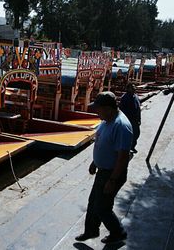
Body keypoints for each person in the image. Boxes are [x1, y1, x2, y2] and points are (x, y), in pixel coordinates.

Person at [76, 92, 133, 244]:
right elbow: (103, 143)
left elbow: (122, 157)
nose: (96, 112)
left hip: (112, 173)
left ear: (108, 109)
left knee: (102, 207)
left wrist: (113, 180)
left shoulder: (121, 126)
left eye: (98, 109)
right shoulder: (106, 121)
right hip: (103, 170)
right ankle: (91, 230)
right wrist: (95, 162)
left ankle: (118, 232)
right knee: (93, 201)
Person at [119, 82, 141, 153]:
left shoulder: (136, 96)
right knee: (127, 135)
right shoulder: (124, 98)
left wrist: (139, 119)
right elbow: (121, 110)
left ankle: (132, 146)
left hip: (135, 119)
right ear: (128, 89)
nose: (134, 88)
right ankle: (125, 149)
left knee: (136, 134)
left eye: (134, 87)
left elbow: (138, 108)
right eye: (132, 87)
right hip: (128, 120)